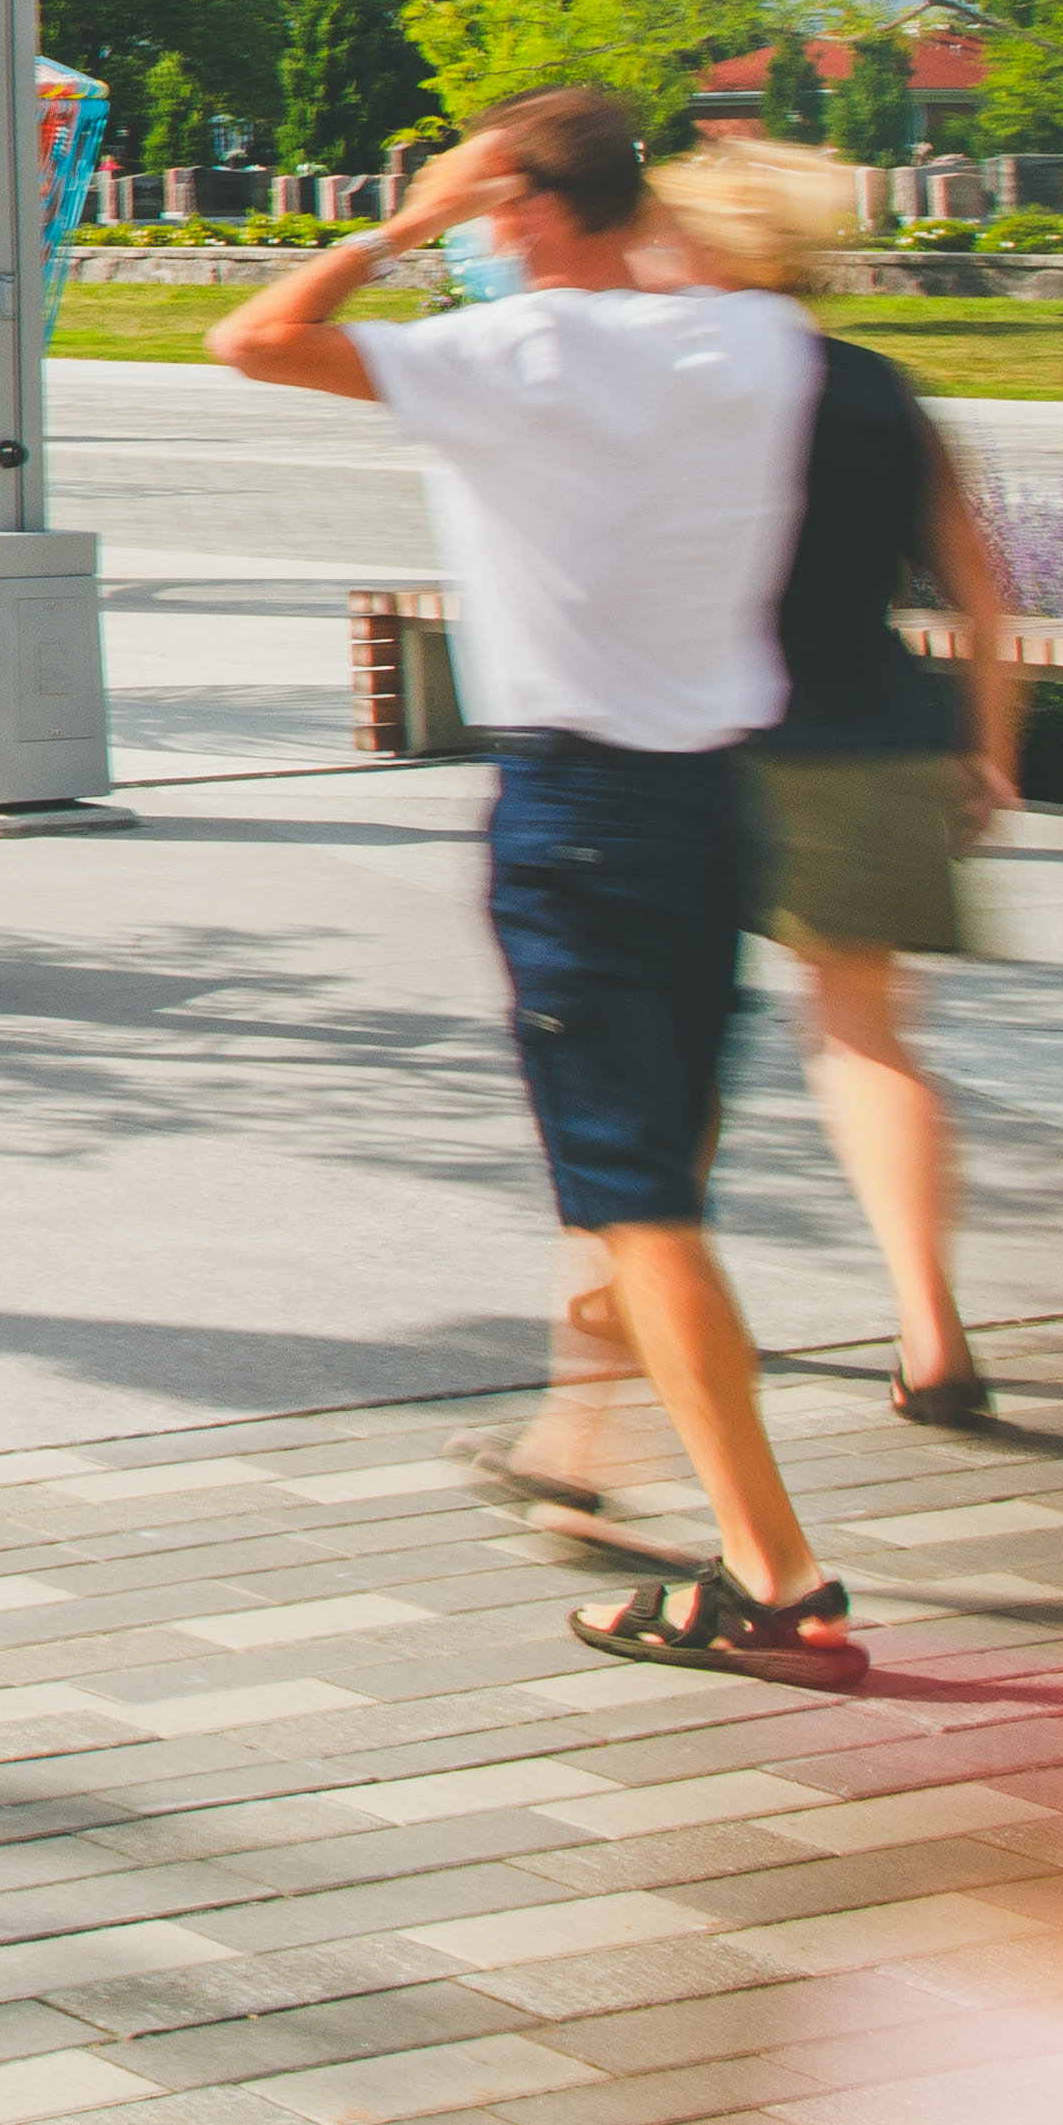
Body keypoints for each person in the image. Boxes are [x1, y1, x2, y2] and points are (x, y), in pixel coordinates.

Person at [211, 87, 844, 1673]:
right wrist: (594, 192)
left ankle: (774, 1574)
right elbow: (696, 258)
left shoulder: (514, 358)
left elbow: (254, 339)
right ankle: (600, 1452)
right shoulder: (758, 347)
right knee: (660, 1190)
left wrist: (397, 227)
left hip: (575, 820)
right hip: (717, 810)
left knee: (640, 1211)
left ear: (519, 208)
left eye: (489, 211)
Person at [642, 137, 1019, 1429]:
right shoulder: (879, 388)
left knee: (677, 1042)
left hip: (704, 743)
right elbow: (977, 582)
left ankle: (662, 1310)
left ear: (702, 249)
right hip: (874, 730)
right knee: (868, 1040)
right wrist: (992, 746)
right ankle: (932, 1329)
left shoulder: (682, 389)